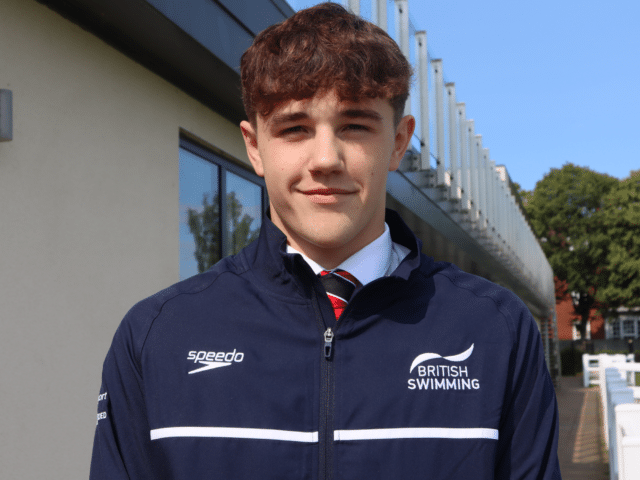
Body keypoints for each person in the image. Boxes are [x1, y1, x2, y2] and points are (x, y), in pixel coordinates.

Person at [90, 3, 561, 479]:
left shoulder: (495, 330)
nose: (325, 159)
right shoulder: (157, 336)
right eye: (294, 129)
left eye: (354, 126)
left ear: (398, 141)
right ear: (255, 147)